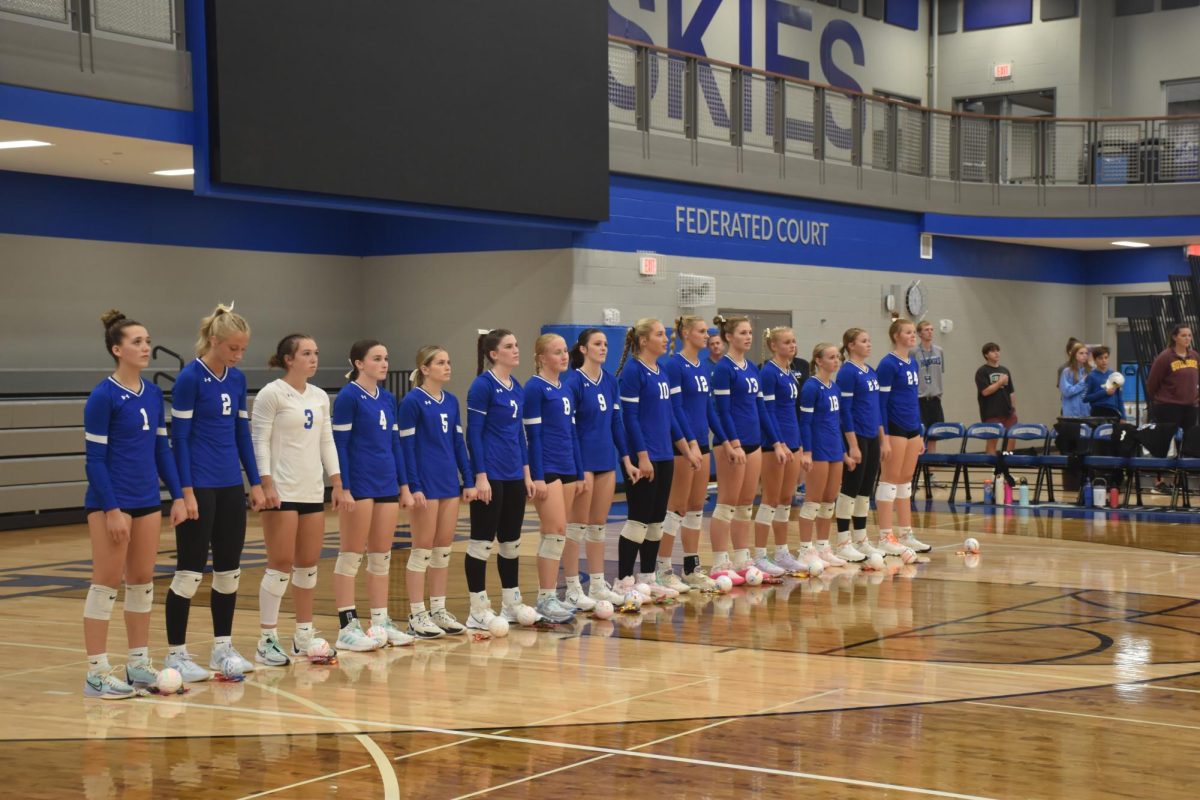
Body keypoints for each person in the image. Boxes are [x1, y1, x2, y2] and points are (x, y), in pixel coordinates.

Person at [82, 311, 188, 698]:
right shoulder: (103, 396)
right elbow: (94, 461)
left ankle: (138, 664)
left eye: (147, 341)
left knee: (142, 582)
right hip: (111, 502)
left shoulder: (152, 394)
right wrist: (111, 509)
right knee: (106, 583)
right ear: (117, 349)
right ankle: (96, 671)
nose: (146, 348)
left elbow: (162, 449)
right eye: (137, 342)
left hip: (147, 500)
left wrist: (177, 495)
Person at [166, 304, 266, 682]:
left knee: (229, 572)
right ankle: (176, 654)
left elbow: (242, 433)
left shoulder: (237, 380)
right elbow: (181, 438)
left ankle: (222, 647)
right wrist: (185, 491)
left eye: (242, 349)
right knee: (190, 573)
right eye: (232, 349)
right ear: (213, 341)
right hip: (200, 485)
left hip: (228, 486)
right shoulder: (191, 379)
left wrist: (254, 482)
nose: (238, 356)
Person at [251, 334, 347, 666]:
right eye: (307, 353)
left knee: (307, 566)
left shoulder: (320, 396)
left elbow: (326, 440)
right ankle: (267, 639)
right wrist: (265, 483)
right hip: (281, 490)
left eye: (316, 352)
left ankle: (303, 634)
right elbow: (259, 441)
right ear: (288, 359)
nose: (314, 358)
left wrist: (336, 481)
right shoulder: (271, 394)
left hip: (310, 490)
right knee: (279, 564)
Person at [331, 339, 414, 653]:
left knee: (382, 556)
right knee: (351, 555)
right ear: (358, 363)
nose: (384, 364)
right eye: (377, 358)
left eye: (386, 358)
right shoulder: (349, 397)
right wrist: (345, 486)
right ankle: (347, 625)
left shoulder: (388, 398)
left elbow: (395, 445)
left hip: (386, 484)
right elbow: (340, 445)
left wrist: (403, 486)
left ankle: (380, 621)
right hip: (360, 485)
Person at [615, 318, 701, 601]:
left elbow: (671, 417)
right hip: (646, 457)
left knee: (656, 522)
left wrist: (686, 449)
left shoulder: (661, 371)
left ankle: (648, 578)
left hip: (665, 455)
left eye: (665, 334)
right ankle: (624, 581)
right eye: (660, 335)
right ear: (643, 341)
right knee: (637, 521)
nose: (666, 339)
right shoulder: (633, 372)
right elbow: (630, 418)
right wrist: (642, 456)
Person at [399, 346, 477, 636]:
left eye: (449, 362)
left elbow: (458, 443)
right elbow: (406, 448)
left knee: (442, 550)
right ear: (425, 368)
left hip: (447, 483)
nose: (447, 367)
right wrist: (414, 486)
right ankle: (417, 614)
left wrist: (467, 480)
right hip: (425, 484)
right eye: (441, 363)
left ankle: (439, 610)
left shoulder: (451, 401)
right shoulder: (412, 402)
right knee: (422, 549)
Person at [464, 330, 540, 629]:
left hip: (513, 475)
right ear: (494, 354)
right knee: (482, 543)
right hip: (490, 474)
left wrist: (526, 473)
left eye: (516, 344)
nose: (516, 350)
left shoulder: (516, 386)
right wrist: (480, 476)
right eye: (509, 346)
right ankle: (478, 609)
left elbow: (519, 436)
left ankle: (512, 603)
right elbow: (475, 434)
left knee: (512, 543)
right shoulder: (482, 386)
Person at [710, 314, 790, 581]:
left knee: (746, 504)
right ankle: (720, 562)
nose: (748, 337)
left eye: (750, 333)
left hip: (755, 443)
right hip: (732, 444)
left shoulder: (752, 368)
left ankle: (743, 558)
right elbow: (721, 411)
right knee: (727, 504)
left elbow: (761, 408)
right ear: (729, 337)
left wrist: (776, 442)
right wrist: (732, 443)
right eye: (743, 333)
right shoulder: (724, 368)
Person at [563, 329, 637, 607]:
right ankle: (572, 587)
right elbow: (570, 431)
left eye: (605, 344)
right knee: (576, 527)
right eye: (597, 344)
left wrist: (626, 459)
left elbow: (617, 423)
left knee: (598, 526)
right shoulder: (573, 382)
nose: (604, 348)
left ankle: (597, 584)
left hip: (606, 461)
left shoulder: (609, 381)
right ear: (583, 349)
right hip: (583, 464)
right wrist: (579, 469)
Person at [523, 334, 586, 623]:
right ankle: (545, 598)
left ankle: (551, 596)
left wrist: (579, 469)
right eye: (557, 352)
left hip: (567, 465)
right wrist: (536, 476)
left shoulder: (565, 388)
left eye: (565, 352)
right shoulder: (535, 388)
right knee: (555, 529)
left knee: (561, 532)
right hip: (546, 467)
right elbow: (532, 436)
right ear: (541, 358)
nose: (564, 357)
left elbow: (573, 433)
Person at [659, 316, 723, 592]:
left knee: (697, 506)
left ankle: (691, 567)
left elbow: (708, 408)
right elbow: (676, 408)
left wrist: (726, 439)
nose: (706, 335)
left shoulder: (702, 367)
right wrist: (689, 443)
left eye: (707, 331)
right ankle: (662, 568)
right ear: (686, 334)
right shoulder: (674, 366)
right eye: (701, 331)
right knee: (677, 507)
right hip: (682, 445)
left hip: (701, 444)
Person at [755, 327, 806, 576]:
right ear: (774, 346)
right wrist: (777, 442)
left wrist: (799, 445)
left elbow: (791, 412)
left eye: (794, 341)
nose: (792, 345)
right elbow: (768, 411)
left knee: (787, 499)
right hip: (774, 444)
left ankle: (782, 552)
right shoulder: (769, 372)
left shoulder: (789, 373)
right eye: (787, 342)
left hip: (793, 441)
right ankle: (760, 555)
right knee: (770, 499)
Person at [835, 327, 888, 563]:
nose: (869, 344)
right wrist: (852, 445)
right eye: (863, 341)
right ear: (850, 345)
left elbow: (876, 409)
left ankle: (861, 539)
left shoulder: (871, 371)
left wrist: (882, 439)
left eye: (869, 340)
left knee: (866, 490)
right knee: (850, 489)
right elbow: (845, 411)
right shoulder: (847, 373)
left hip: (872, 436)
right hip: (855, 437)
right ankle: (843, 541)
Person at [876, 319, 926, 556]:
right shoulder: (888, 364)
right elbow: (881, 404)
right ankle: (885, 535)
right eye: (908, 332)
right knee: (890, 480)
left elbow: (913, 399)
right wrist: (883, 437)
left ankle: (906, 533)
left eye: (913, 332)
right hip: (894, 428)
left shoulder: (913, 363)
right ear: (896, 336)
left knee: (905, 481)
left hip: (912, 427)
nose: (912, 335)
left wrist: (919, 432)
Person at [796, 344, 849, 567]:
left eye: (838, 357)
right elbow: (805, 423)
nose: (836, 361)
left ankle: (823, 548)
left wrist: (844, 452)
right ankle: (805, 550)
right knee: (813, 502)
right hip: (817, 450)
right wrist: (807, 452)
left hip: (834, 449)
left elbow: (837, 423)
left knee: (829, 502)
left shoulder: (834, 388)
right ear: (818, 361)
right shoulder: (811, 387)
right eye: (831, 357)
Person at [1146, 324, 1199, 431]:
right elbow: (1152, 383)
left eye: (1189, 335)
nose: (1187, 338)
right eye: (1183, 335)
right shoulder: (1165, 357)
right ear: (1175, 337)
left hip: (1190, 406)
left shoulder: (1194, 356)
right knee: (1169, 441)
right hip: (1169, 406)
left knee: (1188, 441)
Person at [975, 342, 1017, 456]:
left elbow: (1011, 392)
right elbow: (985, 391)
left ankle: (1006, 466)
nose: (996, 353)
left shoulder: (1005, 370)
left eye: (998, 350)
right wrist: (1000, 382)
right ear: (986, 355)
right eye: (993, 351)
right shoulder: (982, 371)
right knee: (993, 439)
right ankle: (993, 470)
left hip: (1007, 412)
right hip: (991, 412)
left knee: (1011, 439)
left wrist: (1013, 409)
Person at [915, 321, 945, 453]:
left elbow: (939, 372)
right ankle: (919, 467)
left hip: (935, 398)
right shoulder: (913, 352)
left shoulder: (939, 351)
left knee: (934, 435)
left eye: (932, 329)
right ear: (919, 333)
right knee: (920, 435)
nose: (930, 332)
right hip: (920, 399)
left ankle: (931, 469)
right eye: (926, 329)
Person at [1083, 346, 1125, 420]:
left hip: (1113, 411)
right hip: (1098, 412)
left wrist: (1123, 417)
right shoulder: (1091, 376)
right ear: (1095, 360)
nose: (1104, 360)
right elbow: (1085, 398)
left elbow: (1119, 397)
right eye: (1100, 358)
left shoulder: (1114, 375)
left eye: (1106, 357)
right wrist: (1104, 392)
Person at [1059, 342, 1091, 418]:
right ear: (1074, 355)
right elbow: (1067, 391)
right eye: (1081, 353)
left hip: (1086, 413)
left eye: (1086, 353)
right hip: (1071, 414)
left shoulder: (1089, 371)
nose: (1084, 356)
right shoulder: (1067, 372)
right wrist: (1082, 382)